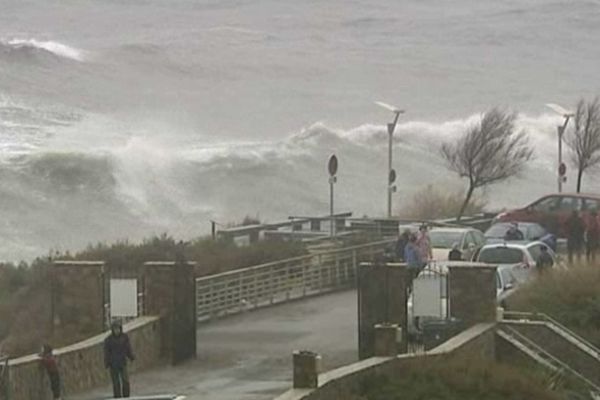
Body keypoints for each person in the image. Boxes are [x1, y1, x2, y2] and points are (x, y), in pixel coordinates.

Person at [104, 321, 135, 398]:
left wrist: (131, 356)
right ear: (112, 330)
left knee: (125, 381)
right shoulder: (108, 340)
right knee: (116, 383)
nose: (117, 331)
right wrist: (107, 362)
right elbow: (106, 352)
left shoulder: (124, 337)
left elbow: (128, 348)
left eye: (118, 329)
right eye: (115, 329)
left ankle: (126, 397)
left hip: (122, 362)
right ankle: (117, 397)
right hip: (113, 364)